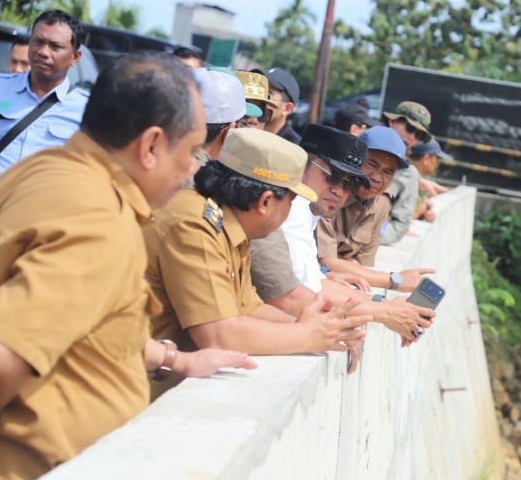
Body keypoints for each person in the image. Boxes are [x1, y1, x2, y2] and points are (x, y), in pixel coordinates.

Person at [0, 53, 254, 480]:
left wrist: (176, 360)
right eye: (189, 152)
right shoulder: (100, 219)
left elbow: (75, 325)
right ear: (150, 146)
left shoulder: (43, 170)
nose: (191, 169)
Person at [144, 128, 371, 386]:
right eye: (291, 200)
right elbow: (219, 336)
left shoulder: (230, 225)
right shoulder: (195, 225)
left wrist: (320, 326)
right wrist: (307, 334)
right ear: (265, 202)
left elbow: (250, 308)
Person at [250, 124, 435, 344]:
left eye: (350, 183)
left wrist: (383, 305)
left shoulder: (310, 208)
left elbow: (315, 283)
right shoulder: (294, 208)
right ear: (302, 164)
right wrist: (384, 311)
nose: (340, 190)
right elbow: (289, 298)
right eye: (334, 176)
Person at [0, 10, 89, 214]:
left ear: (75, 57)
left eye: (55, 46)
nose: (43, 51)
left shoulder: (85, 111)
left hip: (37, 232)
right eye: (38, 41)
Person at [316, 126, 433, 292]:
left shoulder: (382, 203)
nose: (377, 178)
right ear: (355, 159)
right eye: (371, 164)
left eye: (388, 171)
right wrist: (393, 280)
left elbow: (359, 262)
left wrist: (342, 267)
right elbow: (326, 262)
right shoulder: (331, 192)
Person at [380, 101, 435, 245]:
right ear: (392, 121)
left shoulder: (409, 174)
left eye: (419, 135)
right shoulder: (361, 148)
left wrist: (367, 235)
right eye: (410, 128)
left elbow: (399, 226)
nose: (412, 137)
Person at [409, 139, 452, 222]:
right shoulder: (407, 179)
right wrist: (424, 207)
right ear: (426, 158)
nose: (437, 164)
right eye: (437, 159)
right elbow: (402, 216)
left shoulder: (412, 176)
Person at [256, 67, 301, 144]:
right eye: (258, 91)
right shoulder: (240, 129)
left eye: (268, 96)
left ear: (287, 108)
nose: (256, 99)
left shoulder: (294, 149)